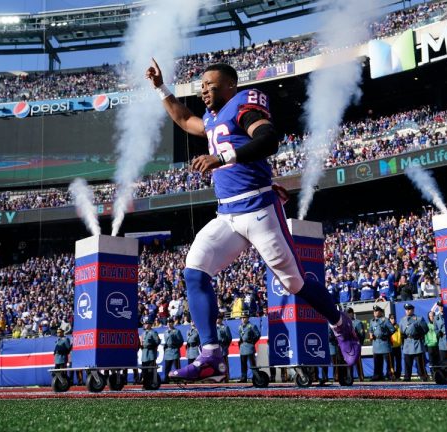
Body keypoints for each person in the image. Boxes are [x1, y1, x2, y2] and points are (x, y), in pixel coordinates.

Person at [146, 59, 359, 382]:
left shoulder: (243, 104)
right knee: (194, 270)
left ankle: (339, 323)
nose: (204, 90)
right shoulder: (213, 116)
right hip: (227, 214)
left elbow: (269, 139)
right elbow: (185, 118)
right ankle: (212, 357)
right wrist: (161, 88)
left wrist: (223, 157)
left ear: (230, 86)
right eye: (202, 86)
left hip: (258, 208)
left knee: (293, 283)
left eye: (211, 86)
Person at [400, 303, 429, 382]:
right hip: (407, 343)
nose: (407, 311)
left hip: (416, 343)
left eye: (409, 309)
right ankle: (407, 377)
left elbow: (426, 329)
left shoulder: (419, 319)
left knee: (420, 363)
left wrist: (419, 334)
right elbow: (401, 331)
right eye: (406, 309)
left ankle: (423, 376)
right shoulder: (402, 320)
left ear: (413, 310)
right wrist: (403, 336)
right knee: (407, 363)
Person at [369, 305, 395, 381]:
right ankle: (377, 375)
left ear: (380, 312)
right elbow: (370, 330)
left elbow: (392, 329)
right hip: (376, 343)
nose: (375, 313)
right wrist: (370, 335)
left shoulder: (385, 320)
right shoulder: (372, 321)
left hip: (384, 343)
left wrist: (386, 335)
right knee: (377, 362)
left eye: (376, 311)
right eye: (374, 311)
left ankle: (390, 375)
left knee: (388, 362)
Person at [238, 314, 260, 383]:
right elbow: (240, 336)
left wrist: (253, 341)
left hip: (250, 346)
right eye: (242, 318)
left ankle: (256, 377)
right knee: (243, 364)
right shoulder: (240, 327)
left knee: (252, 364)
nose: (243, 319)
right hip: (242, 347)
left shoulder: (252, 326)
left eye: (245, 318)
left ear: (248, 318)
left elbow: (258, 334)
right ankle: (243, 378)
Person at [347, 308, 366, 382]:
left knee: (358, 361)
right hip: (348, 345)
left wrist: (359, 344)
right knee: (349, 361)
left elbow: (362, 335)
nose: (348, 314)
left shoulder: (357, 322)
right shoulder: (345, 323)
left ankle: (361, 377)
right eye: (347, 313)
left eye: (349, 313)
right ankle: (350, 377)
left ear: (352, 313)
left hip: (355, 345)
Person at [216, 315, 232, 382]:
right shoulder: (214, 328)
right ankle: (218, 378)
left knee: (224, 364)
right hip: (216, 349)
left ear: (221, 319)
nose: (217, 320)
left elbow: (229, 338)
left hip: (223, 348)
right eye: (216, 318)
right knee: (218, 365)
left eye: (219, 318)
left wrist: (225, 345)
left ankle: (226, 378)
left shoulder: (225, 327)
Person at [389, 314, 402, 380]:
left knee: (398, 362)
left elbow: (400, 335)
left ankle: (398, 375)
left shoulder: (398, 326)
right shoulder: (388, 327)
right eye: (391, 318)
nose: (393, 320)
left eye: (394, 318)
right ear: (389, 319)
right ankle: (392, 375)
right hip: (391, 347)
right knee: (391, 363)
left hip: (398, 347)